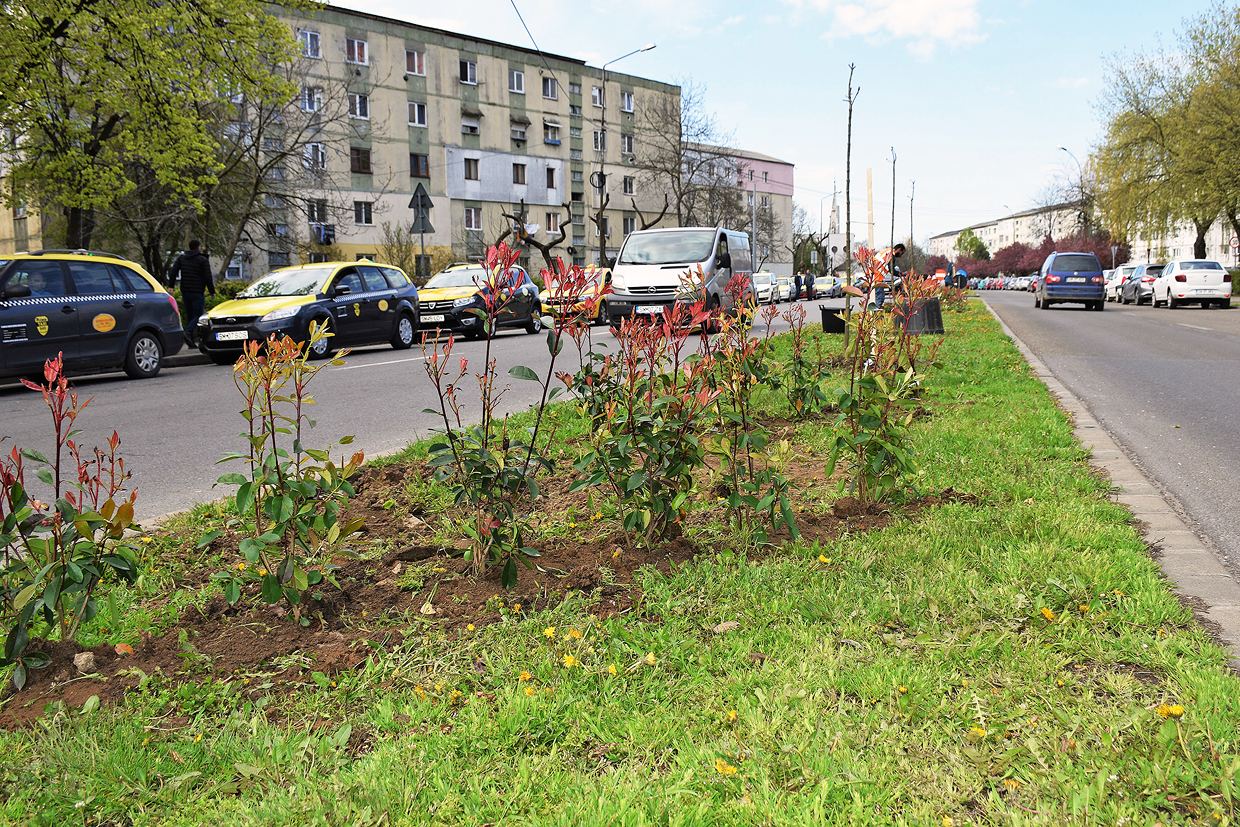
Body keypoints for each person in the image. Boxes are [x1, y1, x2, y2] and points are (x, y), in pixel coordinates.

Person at [168, 240, 215, 346]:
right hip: (198, 291)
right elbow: (208, 277)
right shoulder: (202, 260)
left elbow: (173, 272)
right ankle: (188, 332)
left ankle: (191, 341)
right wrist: (212, 291)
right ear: (198, 247)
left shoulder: (182, 258)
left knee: (190, 315)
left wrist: (171, 286)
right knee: (198, 315)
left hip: (185, 290)